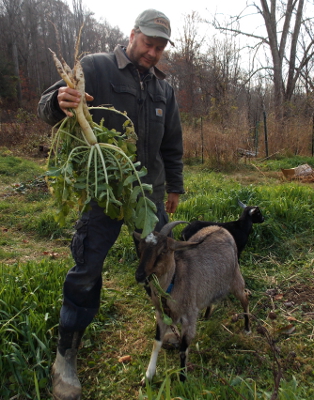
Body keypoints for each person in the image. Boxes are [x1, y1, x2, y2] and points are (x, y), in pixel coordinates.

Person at [37, 8, 184, 400]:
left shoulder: (164, 89)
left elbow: (172, 144)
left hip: (147, 194)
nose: (154, 53)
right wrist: (59, 102)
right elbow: (46, 107)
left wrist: (175, 186)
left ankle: (169, 322)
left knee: (163, 262)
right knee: (86, 270)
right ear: (133, 34)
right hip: (102, 192)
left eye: (160, 47)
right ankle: (66, 356)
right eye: (149, 43)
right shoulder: (96, 68)